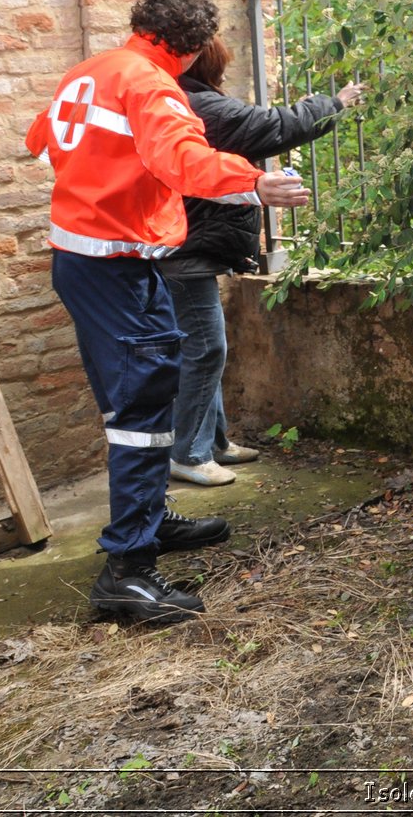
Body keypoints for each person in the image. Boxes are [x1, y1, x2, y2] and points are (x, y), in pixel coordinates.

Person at [24, 0, 311, 624]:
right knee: (141, 410)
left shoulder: (90, 72)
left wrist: (103, 183)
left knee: (146, 392)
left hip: (90, 261)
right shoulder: (153, 85)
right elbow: (181, 157)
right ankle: (128, 571)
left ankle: (148, 520)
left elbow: (39, 139)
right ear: (188, 49)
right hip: (115, 267)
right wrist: (255, 182)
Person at [159, 36, 363, 487]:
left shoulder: (182, 96)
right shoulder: (195, 103)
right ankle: (189, 453)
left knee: (202, 350)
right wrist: (335, 102)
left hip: (187, 247)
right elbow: (272, 126)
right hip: (184, 252)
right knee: (206, 349)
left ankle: (212, 444)